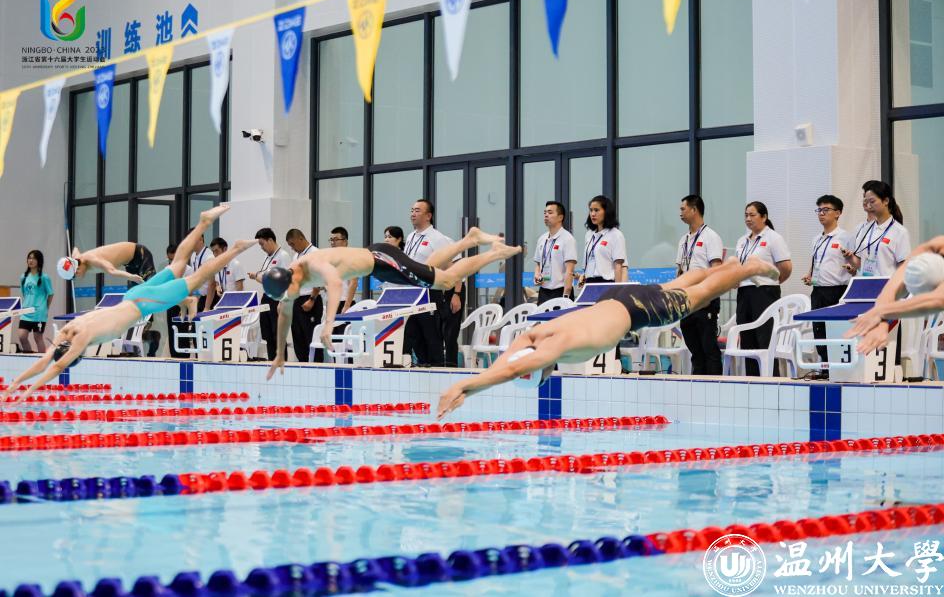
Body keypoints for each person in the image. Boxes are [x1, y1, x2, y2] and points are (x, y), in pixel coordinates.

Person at [436, 256, 781, 418]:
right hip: (616, 298)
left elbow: (511, 369)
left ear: (542, 371)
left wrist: (464, 386)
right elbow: (510, 360)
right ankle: (726, 266)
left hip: (636, 312)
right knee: (677, 285)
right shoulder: (535, 336)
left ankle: (748, 266)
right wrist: (475, 384)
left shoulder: (553, 349)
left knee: (701, 295)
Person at [3, 206, 241, 402]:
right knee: (178, 264)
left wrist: (27, 393)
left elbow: (54, 367)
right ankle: (201, 230)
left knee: (195, 278)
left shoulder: (81, 336)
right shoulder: (72, 327)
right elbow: (45, 361)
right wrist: (15, 385)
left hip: (142, 302)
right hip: (134, 296)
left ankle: (233, 249)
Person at [263, 227, 519, 379]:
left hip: (382, 259)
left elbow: (335, 283)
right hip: (378, 267)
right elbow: (284, 312)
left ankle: (492, 253)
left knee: (446, 280)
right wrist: (279, 355)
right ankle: (469, 239)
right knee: (428, 268)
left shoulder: (313, 263)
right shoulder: (288, 280)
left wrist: (329, 324)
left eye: (289, 292)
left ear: (291, 280)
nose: (289, 297)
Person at [845, 236, 944, 354]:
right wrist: (882, 323)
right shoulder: (931, 248)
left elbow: (938, 300)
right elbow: (891, 289)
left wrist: (879, 312)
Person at [734, 201, 793, 376]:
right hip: (744, 292)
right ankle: (752, 380)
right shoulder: (742, 241)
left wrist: (773, 282)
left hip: (765, 292)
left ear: (764, 217)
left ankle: (771, 380)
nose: (748, 218)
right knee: (747, 339)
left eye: (752, 215)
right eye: (746, 215)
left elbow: (786, 267)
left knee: (765, 338)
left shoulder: (773, 238)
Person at [801, 195, 853, 373]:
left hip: (837, 291)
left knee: (835, 333)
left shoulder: (845, 237)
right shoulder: (816, 239)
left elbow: (854, 263)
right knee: (819, 332)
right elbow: (816, 261)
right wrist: (810, 275)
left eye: (826, 210)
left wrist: (851, 267)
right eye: (819, 210)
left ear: (837, 213)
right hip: (818, 290)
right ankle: (825, 370)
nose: (821, 213)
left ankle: (838, 371)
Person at [675, 195, 724, 375]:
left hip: (705, 298)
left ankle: (715, 386)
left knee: (708, 347)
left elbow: (716, 269)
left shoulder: (711, 237)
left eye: (683, 209)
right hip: (687, 299)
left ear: (694, 210)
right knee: (695, 350)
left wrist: (709, 296)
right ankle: (698, 385)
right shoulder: (684, 240)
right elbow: (680, 271)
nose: (680, 212)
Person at [403, 199, 455, 366]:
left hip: (430, 293)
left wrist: (455, 293)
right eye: (412, 210)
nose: (413, 214)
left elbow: (450, 266)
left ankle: (438, 369)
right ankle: (422, 366)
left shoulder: (437, 238)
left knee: (432, 336)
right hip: (412, 293)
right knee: (413, 335)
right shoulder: (411, 237)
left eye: (417, 210)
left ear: (428, 216)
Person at [849, 181, 910, 278]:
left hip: (886, 284)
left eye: (872, 201)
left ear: (886, 201)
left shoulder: (900, 231)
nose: (869, 206)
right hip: (864, 283)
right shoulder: (865, 229)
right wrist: (849, 257)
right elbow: (858, 264)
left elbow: (903, 267)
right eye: (866, 202)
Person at [248, 228, 292, 360]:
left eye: (262, 244)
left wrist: (282, 302)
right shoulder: (267, 258)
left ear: (270, 240)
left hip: (277, 299)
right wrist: (256, 276)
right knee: (267, 334)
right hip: (267, 297)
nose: (261, 248)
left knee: (277, 334)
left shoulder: (283, 256)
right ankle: (272, 361)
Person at [285, 228, 323, 363]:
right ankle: (302, 366)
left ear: (301, 239)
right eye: (290, 245)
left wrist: (312, 299)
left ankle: (317, 367)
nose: (292, 248)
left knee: (311, 337)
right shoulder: (296, 256)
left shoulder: (315, 253)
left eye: (293, 244)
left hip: (310, 299)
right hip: (297, 299)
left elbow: (319, 278)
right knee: (298, 337)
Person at [533, 201, 577, 305]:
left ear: (560, 217)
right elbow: (538, 263)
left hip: (560, 291)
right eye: (545, 213)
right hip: (543, 291)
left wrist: (566, 297)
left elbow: (569, 271)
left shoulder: (568, 239)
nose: (546, 215)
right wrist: (537, 274)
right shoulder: (542, 239)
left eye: (550, 212)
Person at [56, 241, 156, 285]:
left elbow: (112, 271)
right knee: (134, 299)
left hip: (141, 255)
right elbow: (75, 249)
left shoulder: (93, 260)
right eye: (74, 277)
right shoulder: (77, 259)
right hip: (130, 264)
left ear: (78, 267)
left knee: (151, 287)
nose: (77, 276)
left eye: (76, 274)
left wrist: (131, 277)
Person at [580, 195, 627, 286]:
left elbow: (618, 266)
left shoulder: (616, 235)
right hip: (589, 282)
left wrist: (617, 289)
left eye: (596, 210)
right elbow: (587, 263)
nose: (593, 214)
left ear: (606, 212)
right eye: (591, 210)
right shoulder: (589, 234)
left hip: (606, 282)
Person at [17, 250, 54, 354]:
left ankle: (42, 360)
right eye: (29, 258)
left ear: (39, 261)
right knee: (22, 336)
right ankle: (28, 357)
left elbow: (50, 294)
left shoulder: (44, 277)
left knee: (38, 338)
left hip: (39, 313)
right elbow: (25, 293)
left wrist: (45, 308)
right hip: (25, 313)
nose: (31, 260)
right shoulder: (23, 277)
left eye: (33, 258)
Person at [327, 227, 357, 330]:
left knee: (344, 336)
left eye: (336, 239)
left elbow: (353, 283)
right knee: (332, 337)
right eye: (331, 240)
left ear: (345, 241)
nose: (332, 242)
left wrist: (347, 306)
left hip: (344, 303)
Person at [209, 237, 246, 303]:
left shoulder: (235, 265)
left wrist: (236, 304)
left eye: (216, 251)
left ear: (225, 249)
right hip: (223, 302)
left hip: (235, 302)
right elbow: (217, 282)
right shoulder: (216, 266)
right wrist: (217, 288)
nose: (214, 254)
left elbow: (240, 288)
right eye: (213, 252)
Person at [187, 228, 214, 310]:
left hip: (209, 299)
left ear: (200, 239)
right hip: (198, 298)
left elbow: (212, 284)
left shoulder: (209, 257)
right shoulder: (193, 256)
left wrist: (207, 307)